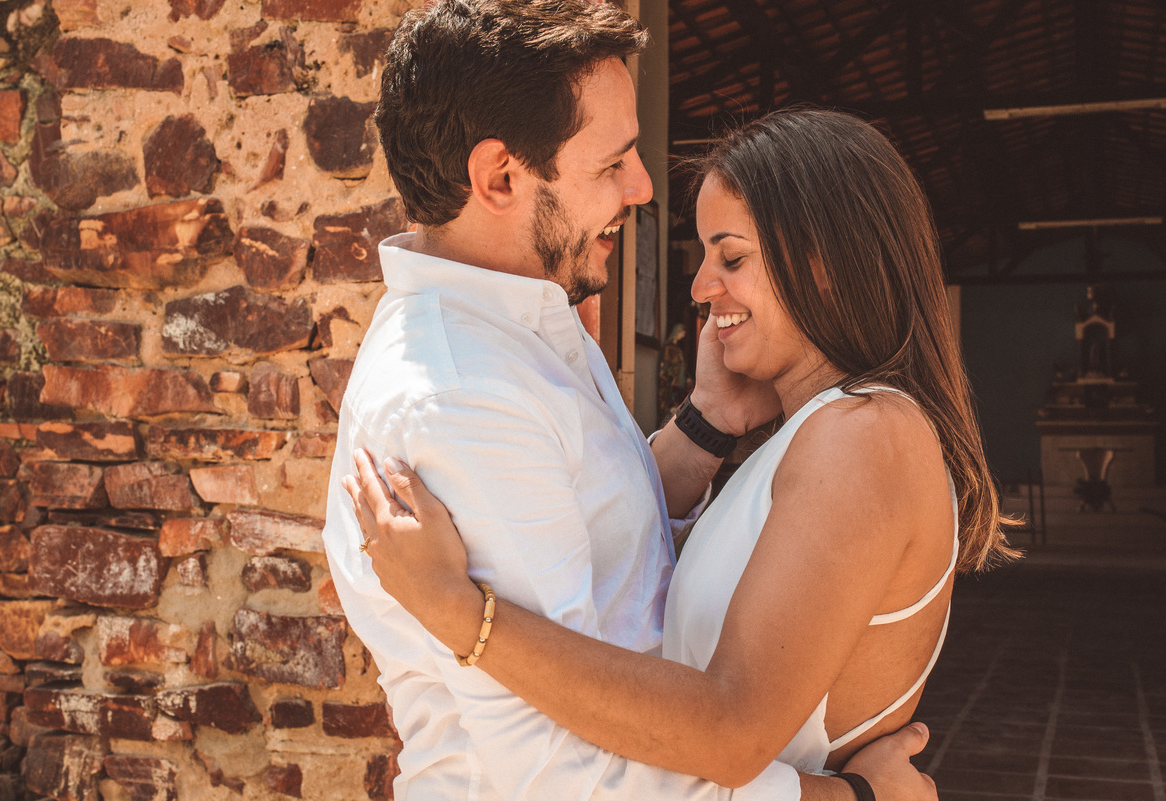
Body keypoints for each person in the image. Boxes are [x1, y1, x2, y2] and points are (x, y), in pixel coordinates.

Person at [324, 1, 938, 798]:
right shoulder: (463, 396)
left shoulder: (529, 321)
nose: (642, 187)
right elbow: (564, 772)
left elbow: (617, 561)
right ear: (501, 177)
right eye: (612, 163)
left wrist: (706, 426)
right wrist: (850, 798)